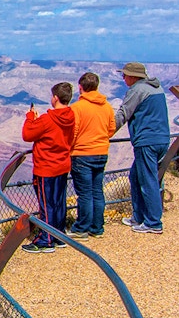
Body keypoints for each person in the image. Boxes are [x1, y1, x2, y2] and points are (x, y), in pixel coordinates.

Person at [114, 62, 170, 233]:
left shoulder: (137, 90)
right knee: (136, 177)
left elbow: (123, 114)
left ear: (133, 76)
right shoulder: (156, 89)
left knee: (147, 180)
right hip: (161, 139)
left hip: (147, 141)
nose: (123, 78)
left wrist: (103, 133)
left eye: (124, 75)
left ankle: (153, 223)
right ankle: (138, 217)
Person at [21, 82, 75, 253]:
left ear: (55, 98)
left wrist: (30, 117)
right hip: (62, 165)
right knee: (58, 202)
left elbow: (27, 135)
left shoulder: (47, 119)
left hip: (46, 167)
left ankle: (46, 239)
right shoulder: (71, 116)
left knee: (46, 204)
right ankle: (58, 235)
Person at [66, 72, 116, 240]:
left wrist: (70, 148)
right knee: (97, 191)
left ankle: (81, 228)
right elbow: (111, 129)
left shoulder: (77, 108)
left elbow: (72, 133)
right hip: (101, 153)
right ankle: (97, 227)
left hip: (82, 154)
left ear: (80, 88)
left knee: (85, 193)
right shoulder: (107, 106)